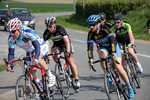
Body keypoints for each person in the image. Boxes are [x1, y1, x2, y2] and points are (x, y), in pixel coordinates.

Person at [87, 14, 134, 99]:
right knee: (102, 58)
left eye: (93, 25)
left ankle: (129, 87)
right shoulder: (91, 34)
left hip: (113, 47)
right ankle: (108, 74)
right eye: (90, 25)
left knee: (118, 67)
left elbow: (112, 40)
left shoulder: (105, 29)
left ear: (98, 24)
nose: (91, 27)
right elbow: (90, 48)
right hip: (103, 48)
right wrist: (90, 59)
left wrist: (113, 52)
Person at [6, 18, 55, 87]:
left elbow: (37, 46)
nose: (12, 34)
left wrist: (37, 58)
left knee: (36, 57)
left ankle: (50, 75)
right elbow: (11, 53)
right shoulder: (11, 39)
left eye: (13, 31)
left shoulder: (27, 32)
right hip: (30, 51)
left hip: (40, 46)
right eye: (10, 32)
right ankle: (39, 90)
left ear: (19, 29)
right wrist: (10, 64)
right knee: (30, 70)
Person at [43, 17, 80, 91]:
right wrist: (46, 55)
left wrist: (68, 51)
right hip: (57, 45)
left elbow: (66, 41)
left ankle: (76, 80)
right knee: (54, 53)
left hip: (66, 44)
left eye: (50, 26)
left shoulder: (60, 29)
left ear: (54, 25)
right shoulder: (46, 33)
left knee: (70, 61)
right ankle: (60, 64)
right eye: (47, 26)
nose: (49, 28)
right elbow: (46, 45)